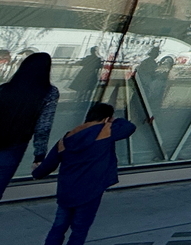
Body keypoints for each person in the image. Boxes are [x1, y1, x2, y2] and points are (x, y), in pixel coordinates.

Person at [32, 102, 137, 245]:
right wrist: (113, 120)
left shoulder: (66, 138)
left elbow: (48, 165)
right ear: (107, 118)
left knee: (58, 226)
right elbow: (129, 127)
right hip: (91, 191)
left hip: (66, 191)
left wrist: (36, 172)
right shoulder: (105, 132)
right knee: (80, 229)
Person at [0, 52, 59, 198]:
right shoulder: (49, 93)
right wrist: (39, 155)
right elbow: (43, 126)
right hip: (15, 144)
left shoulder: (5, 89)